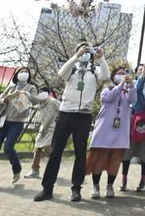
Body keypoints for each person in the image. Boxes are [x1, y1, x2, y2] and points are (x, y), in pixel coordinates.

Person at [34, 43, 110, 202]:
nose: (84, 53)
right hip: (66, 113)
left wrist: (101, 57)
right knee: (56, 152)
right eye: (81, 50)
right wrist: (75, 56)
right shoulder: (72, 69)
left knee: (81, 153)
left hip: (84, 116)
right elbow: (61, 73)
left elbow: (106, 76)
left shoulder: (93, 71)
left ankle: (76, 188)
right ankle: (47, 188)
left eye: (86, 50)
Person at [0, 66, 39, 187]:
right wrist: (4, 100)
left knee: (8, 147)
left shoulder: (31, 88)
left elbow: (36, 100)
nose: (24, 74)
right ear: (16, 74)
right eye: (21, 72)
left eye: (26, 72)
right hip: (3, 120)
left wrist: (26, 94)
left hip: (17, 122)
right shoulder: (11, 87)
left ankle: (17, 168)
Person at [86, 66, 137, 198]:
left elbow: (133, 100)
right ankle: (95, 186)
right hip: (105, 129)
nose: (122, 76)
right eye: (119, 74)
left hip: (120, 130)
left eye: (123, 74)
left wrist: (131, 86)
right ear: (114, 76)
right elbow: (108, 98)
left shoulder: (128, 90)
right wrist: (120, 84)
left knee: (115, 158)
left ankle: (110, 186)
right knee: (100, 157)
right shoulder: (107, 88)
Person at [121, 62, 145, 192]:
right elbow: (138, 90)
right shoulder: (134, 85)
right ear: (136, 73)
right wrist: (142, 76)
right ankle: (124, 179)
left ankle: (143, 180)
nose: (143, 71)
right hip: (133, 121)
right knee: (127, 152)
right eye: (140, 69)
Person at [24, 87, 61, 179]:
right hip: (43, 129)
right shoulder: (40, 105)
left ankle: (52, 170)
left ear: (48, 93)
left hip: (52, 129)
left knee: (48, 149)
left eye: (43, 92)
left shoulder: (54, 101)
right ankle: (35, 170)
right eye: (39, 92)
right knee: (37, 148)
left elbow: (62, 111)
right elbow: (30, 102)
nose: (41, 93)